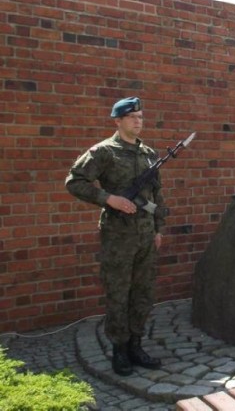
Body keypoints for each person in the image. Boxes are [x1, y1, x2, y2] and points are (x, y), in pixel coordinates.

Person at [65, 97, 166, 376]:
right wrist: (108, 198)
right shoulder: (104, 152)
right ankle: (119, 350)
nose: (138, 121)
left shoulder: (148, 153)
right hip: (118, 235)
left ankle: (136, 345)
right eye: (132, 117)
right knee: (119, 293)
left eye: (141, 117)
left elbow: (157, 195)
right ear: (118, 120)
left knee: (143, 292)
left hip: (146, 233)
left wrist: (159, 228)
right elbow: (75, 181)